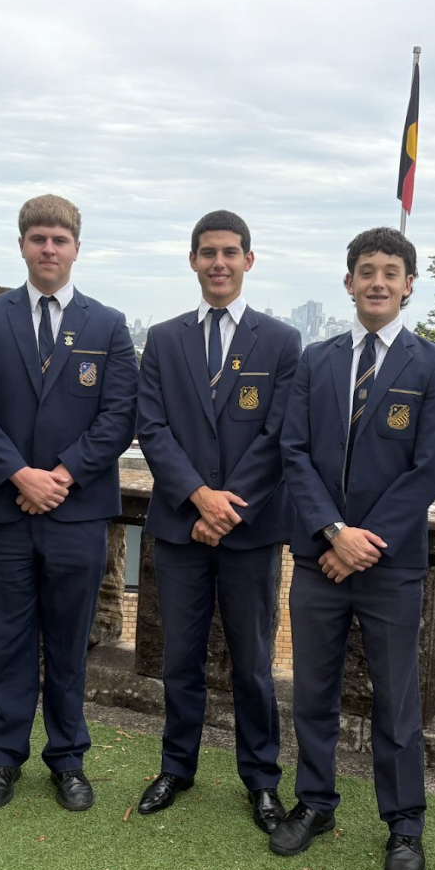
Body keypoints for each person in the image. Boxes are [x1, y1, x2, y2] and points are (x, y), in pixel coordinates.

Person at [273, 227, 435, 870]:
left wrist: (361, 543)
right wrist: (332, 533)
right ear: (348, 281)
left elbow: (429, 466)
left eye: (391, 271)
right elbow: (294, 450)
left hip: (390, 564)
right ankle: (315, 803)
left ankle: (404, 823)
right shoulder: (316, 360)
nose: (378, 281)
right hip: (319, 559)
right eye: (367, 270)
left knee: (397, 700)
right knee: (312, 692)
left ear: (409, 285)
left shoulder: (432, 363)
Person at [0, 194, 137, 813]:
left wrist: (60, 475)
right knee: (5, 642)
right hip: (1, 513)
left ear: (76, 248)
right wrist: (18, 475)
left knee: (68, 644)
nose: (49, 249)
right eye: (39, 238)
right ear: (22, 245)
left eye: (60, 239)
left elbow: (120, 416)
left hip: (76, 513)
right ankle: (3, 758)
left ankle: (68, 759)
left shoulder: (108, 325)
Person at [135, 210, 301, 832]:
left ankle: (261, 778)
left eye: (230, 252)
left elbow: (279, 434)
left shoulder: (281, 341)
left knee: (252, 663)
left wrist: (224, 507)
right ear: (193, 261)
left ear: (248, 260)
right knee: (180, 658)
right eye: (208, 252)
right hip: (180, 527)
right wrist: (198, 497)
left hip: (250, 531)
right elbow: (152, 427)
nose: (219, 263)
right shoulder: (164, 338)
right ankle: (176, 766)